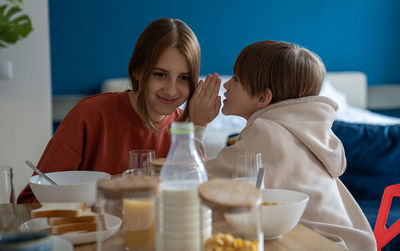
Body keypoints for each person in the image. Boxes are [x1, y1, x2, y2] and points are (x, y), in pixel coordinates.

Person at [18, 18, 221, 203]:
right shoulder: (89, 115)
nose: (171, 90)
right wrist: (119, 183)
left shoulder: (184, 130)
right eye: (161, 75)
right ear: (137, 71)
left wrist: (198, 126)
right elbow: (29, 201)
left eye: (184, 78)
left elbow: (195, 202)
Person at [205, 40, 376, 250]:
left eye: (236, 79)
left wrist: (196, 125)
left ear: (263, 97)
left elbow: (198, 182)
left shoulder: (265, 132)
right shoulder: (310, 133)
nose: (226, 85)